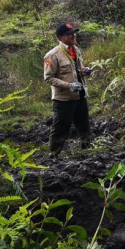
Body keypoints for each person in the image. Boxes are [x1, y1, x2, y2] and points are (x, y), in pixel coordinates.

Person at [44, 23, 94, 157]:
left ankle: (88, 152)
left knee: (84, 126)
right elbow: (48, 78)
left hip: (80, 95)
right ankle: (53, 156)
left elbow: (77, 70)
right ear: (61, 37)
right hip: (64, 99)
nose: (73, 36)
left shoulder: (75, 50)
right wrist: (68, 85)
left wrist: (85, 71)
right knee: (61, 128)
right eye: (69, 34)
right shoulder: (52, 55)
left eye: (74, 33)